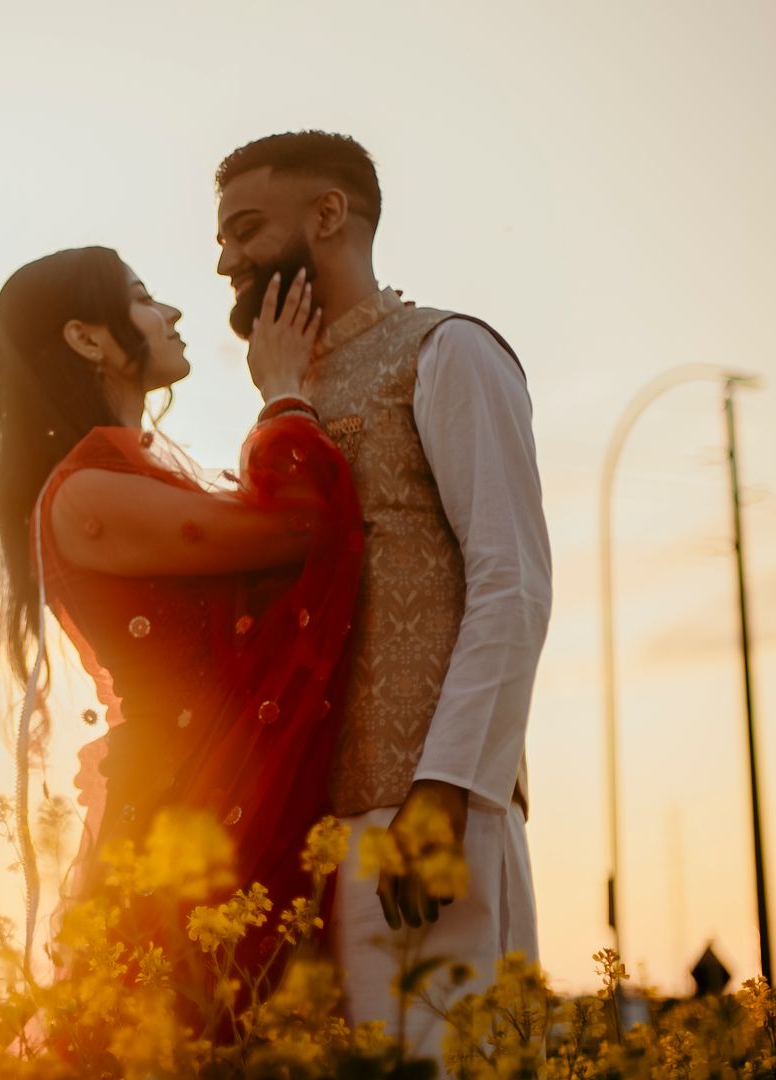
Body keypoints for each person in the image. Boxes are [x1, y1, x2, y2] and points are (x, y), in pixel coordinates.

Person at [213, 130, 552, 1062]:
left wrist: (442, 792)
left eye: (245, 229)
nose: (224, 260)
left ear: (329, 215)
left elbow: (512, 581)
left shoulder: (449, 352)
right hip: (309, 844)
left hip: (430, 821)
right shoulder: (285, 388)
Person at [0, 245, 363, 1032]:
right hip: (178, 823)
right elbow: (298, 527)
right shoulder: (83, 493)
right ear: (87, 339)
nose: (174, 314)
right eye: (144, 297)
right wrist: (285, 397)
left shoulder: (140, 477)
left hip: (218, 806)